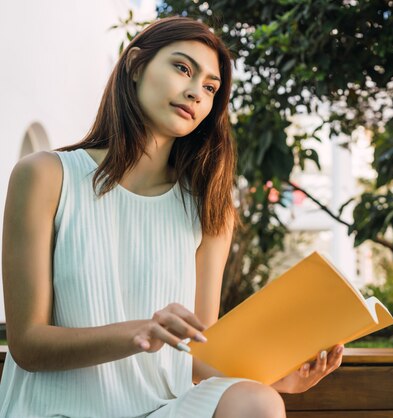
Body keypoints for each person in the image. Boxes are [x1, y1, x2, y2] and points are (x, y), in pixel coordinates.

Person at [0, 16, 343, 418]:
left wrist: (275, 378)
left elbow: (195, 350)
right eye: (183, 68)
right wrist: (139, 332)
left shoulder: (207, 209)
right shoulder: (44, 175)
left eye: (211, 87)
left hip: (162, 409)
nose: (196, 91)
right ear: (135, 66)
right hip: (57, 410)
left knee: (259, 401)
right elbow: (27, 344)